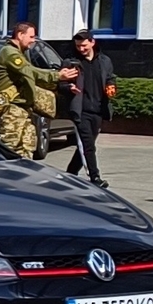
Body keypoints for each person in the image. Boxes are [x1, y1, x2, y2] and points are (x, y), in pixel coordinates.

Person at [0, 21, 75, 159]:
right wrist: (56, 75)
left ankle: (23, 176)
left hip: (23, 107)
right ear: (20, 34)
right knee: (11, 146)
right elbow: (29, 72)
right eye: (31, 37)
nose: (33, 41)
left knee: (27, 145)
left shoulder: (20, 52)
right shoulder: (10, 53)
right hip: (12, 108)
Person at [65, 29, 116, 187]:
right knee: (87, 145)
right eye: (78, 46)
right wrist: (68, 87)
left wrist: (111, 86)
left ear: (92, 42)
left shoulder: (104, 61)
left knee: (86, 145)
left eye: (84, 45)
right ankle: (95, 177)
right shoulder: (71, 62)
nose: (81, 49)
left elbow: (110, 77)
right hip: (80, 111)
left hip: (98, 110)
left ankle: (70, 173)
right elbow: (60, 83)